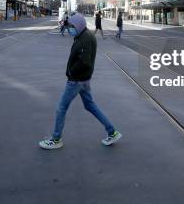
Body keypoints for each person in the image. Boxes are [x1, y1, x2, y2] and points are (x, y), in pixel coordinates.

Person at [39, 13, 122, 149]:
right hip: (84, 80)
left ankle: (56, 139)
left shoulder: (83, 39)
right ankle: (112, 132)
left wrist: (71, 72)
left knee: (61, 108)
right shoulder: (85, 35)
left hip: (76, 81)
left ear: (78, 26)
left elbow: (85, 62)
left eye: (72, 26)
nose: (70, 29)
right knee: (90, 105)